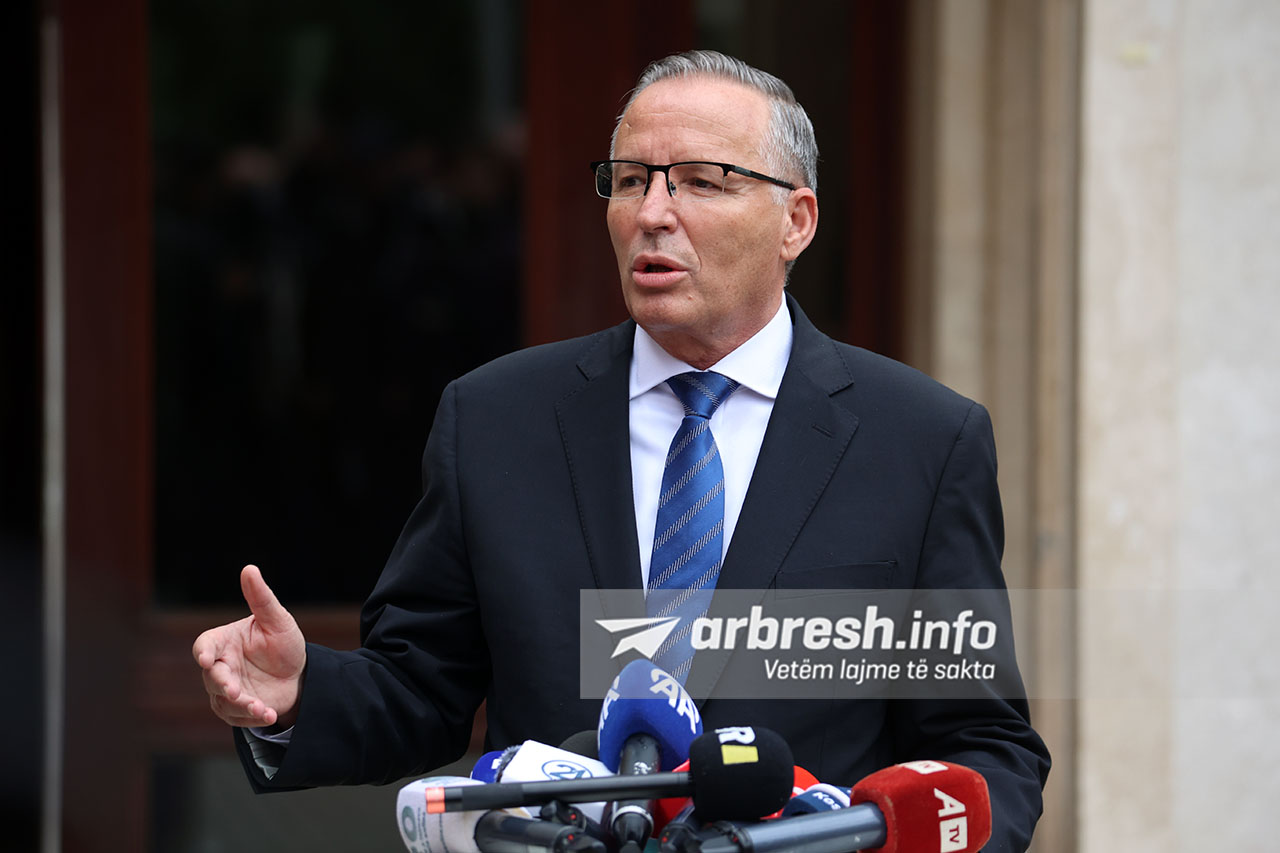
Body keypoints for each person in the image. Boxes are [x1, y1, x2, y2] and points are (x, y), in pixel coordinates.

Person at [194, 50, 1049, 849]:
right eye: (631, 180)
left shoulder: (920, 441)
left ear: (796, 220)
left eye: (702, 182)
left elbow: (983, 747)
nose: (652, 214)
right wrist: (298, 696)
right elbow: (420, 687)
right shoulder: (496, 420)